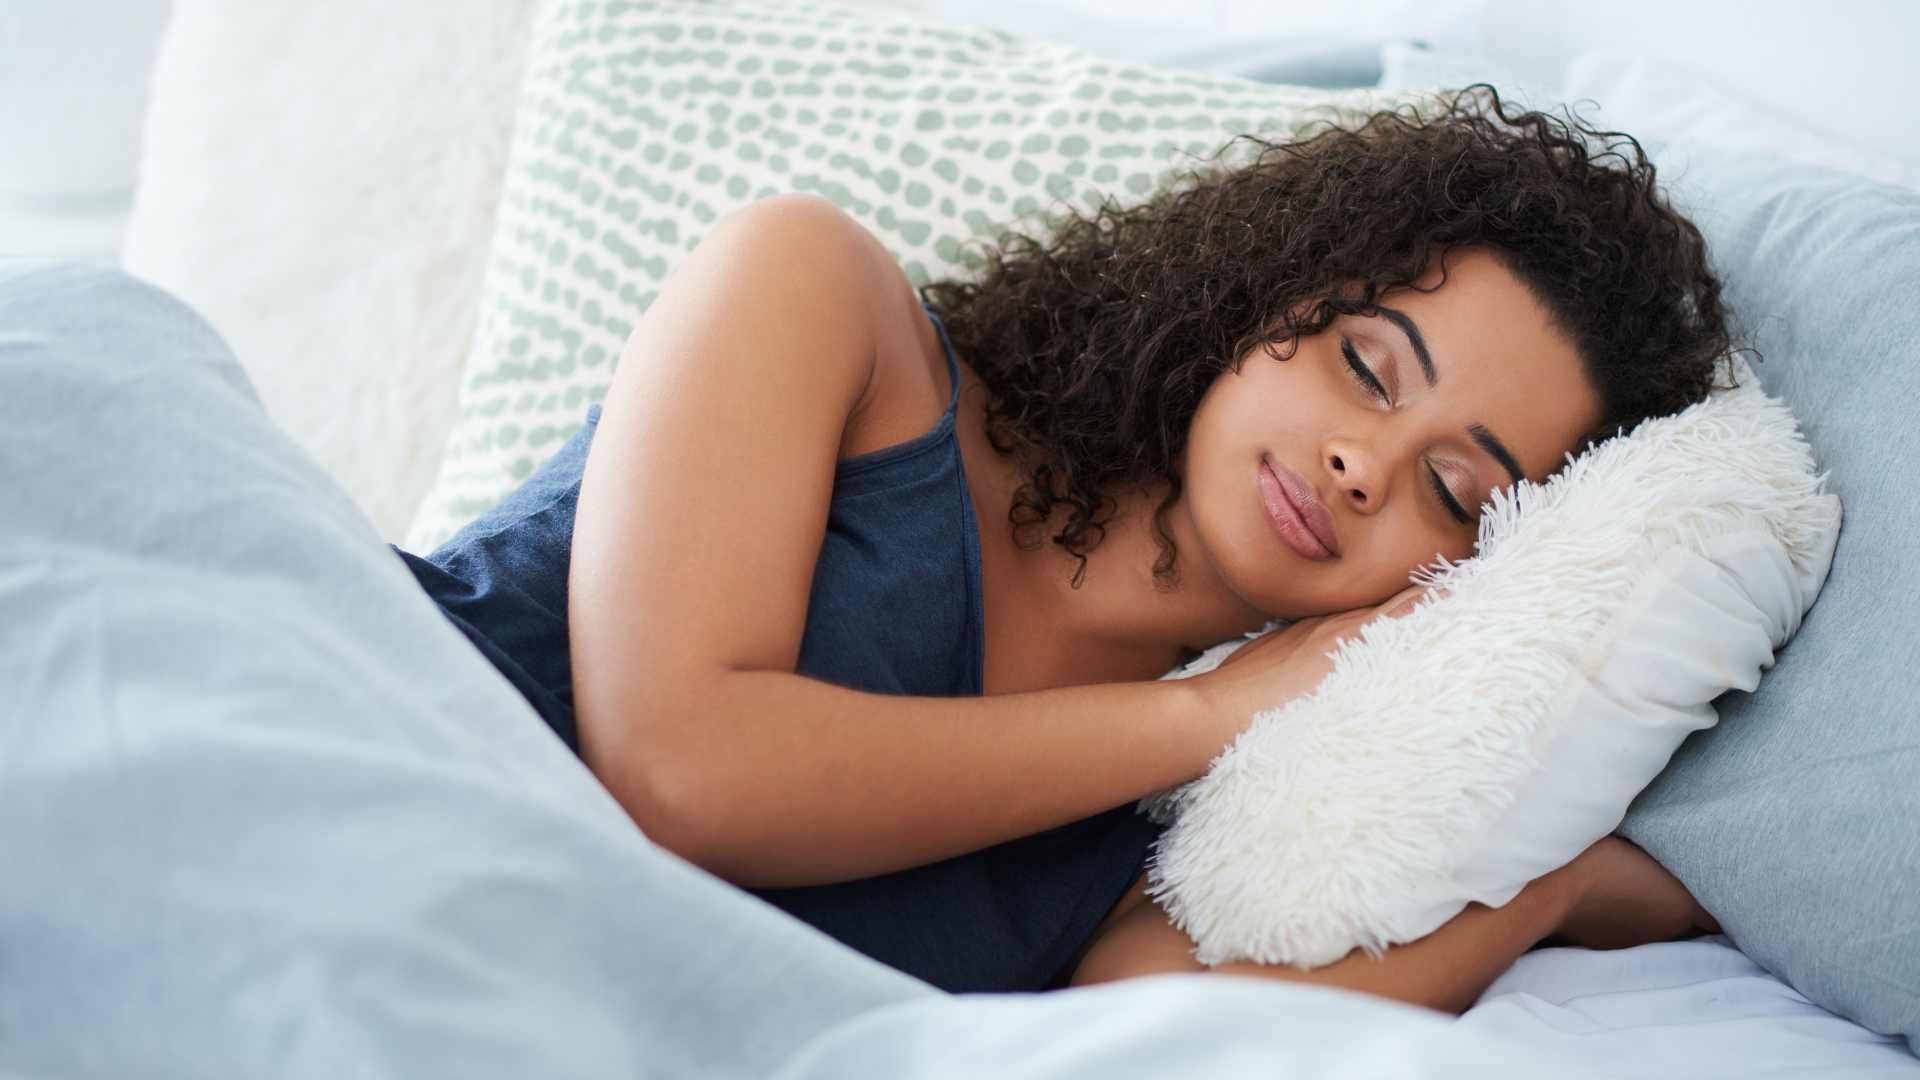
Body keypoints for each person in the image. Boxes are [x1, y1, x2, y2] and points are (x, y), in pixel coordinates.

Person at [392, 84, 1729, 1006]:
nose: (1362, 466)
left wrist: (1543, 884)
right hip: (362, 793)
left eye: (1451, 488)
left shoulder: (1238, 810)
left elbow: (1142, 1037)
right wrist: (1205, 713)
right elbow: (680, 773)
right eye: (1367, 369)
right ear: (1275, 291)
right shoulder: (816, 297)